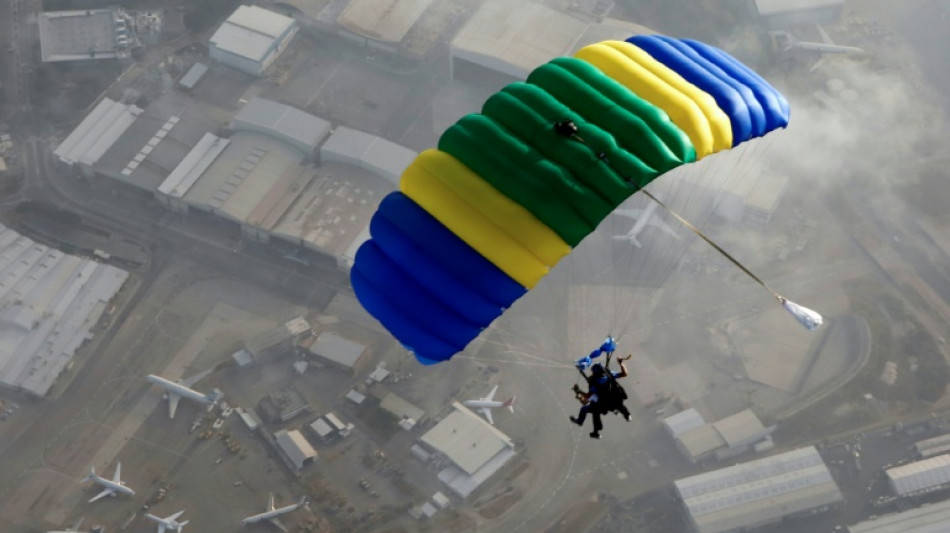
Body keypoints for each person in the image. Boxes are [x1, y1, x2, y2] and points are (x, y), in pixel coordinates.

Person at [570, 359, 631, 439]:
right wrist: (621, 363)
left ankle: (587, 426)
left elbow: (587, 397)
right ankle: (627, 415)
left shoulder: (594, 384)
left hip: (604, 404)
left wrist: (578, 391)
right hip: (615, 400)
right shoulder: (609, 374)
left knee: (590, 410)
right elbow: (624, 374)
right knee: (619, 405)